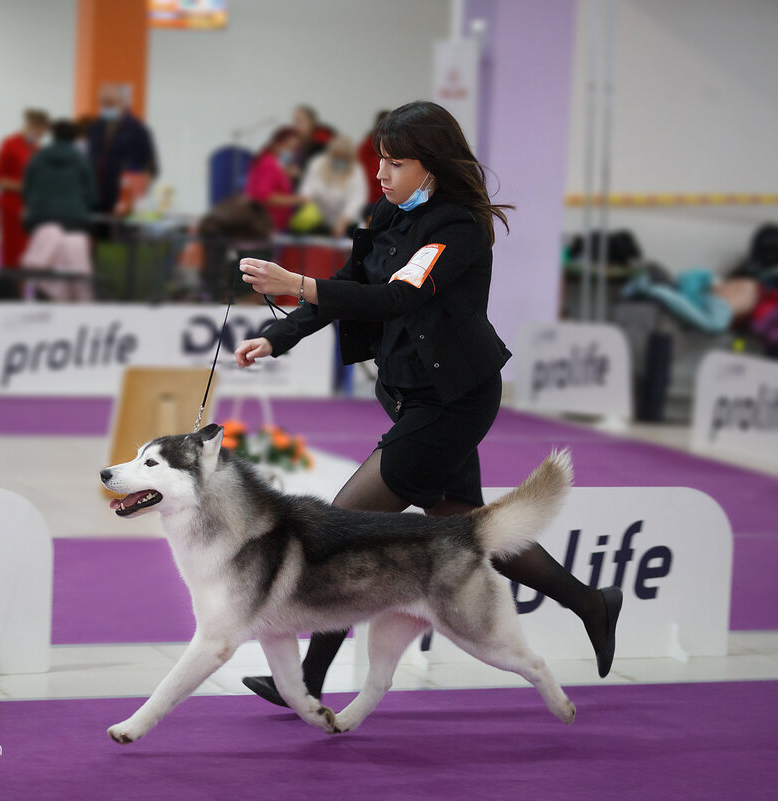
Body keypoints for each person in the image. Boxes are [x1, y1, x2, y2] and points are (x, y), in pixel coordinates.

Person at [233, 101, 623, 707]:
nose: (382, 174)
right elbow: (351, 287)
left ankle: (306, 681)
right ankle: (592, 602)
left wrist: (297, 283)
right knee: (462, 522)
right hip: (415, 395)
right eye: (381, 161)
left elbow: (396, 298)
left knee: (338, 529)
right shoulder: (389, 213)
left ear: (432, 166)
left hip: (453, 401)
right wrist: (278, 334)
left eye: (397, 162)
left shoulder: (458, 228)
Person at [19, 118, 96, 301]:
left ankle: (43, 297)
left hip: (41, 218)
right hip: (74, 220)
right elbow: (91, 193)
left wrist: (35, 207)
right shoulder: (81, 159)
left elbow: (27, 188)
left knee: (44, 262)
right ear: (75, 137)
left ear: (52, 135)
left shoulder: (37, 156)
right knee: (74, 265)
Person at [86, 83, 158, 215]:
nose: (107, 107)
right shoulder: (95, 128)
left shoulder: (137, 130)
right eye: (103, 103)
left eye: (111, 103)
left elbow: (151, 166)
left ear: (123, 103)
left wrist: (137, 195)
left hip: (124, 200)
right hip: (96, 200)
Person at [0, 109, 49, 268]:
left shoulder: (37, 149)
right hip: (11, 206)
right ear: (30, 126)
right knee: (11, 253)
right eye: (38, 132)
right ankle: (9, 289)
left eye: (42, 134)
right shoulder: (10, 144)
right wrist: (23, 186)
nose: (39, 137)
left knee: (27, 254)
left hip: (31, 208)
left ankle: (20, 289)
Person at [297, 134, 367, 237]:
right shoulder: (317, 164)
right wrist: (307, 201)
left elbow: (356, 200)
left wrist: (343, 222)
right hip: (319, 222)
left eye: (343, 158)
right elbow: (308, 187)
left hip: (346, 224)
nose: (339, 160)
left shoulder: (356, 171)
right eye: (336, 156)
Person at [244, 126, 305, 233]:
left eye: (295, 149)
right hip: (265, 227)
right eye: (290, 147)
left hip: (274, 227)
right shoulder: (269, 163)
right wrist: (297, 199)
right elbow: (264, 196)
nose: (292, 152)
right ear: (278, 144)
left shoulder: (277, 165)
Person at [358, 110, 391, 207]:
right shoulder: (369, 143)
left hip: (388, 191)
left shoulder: (394, 144)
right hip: (371, 193)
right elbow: (362, 169)